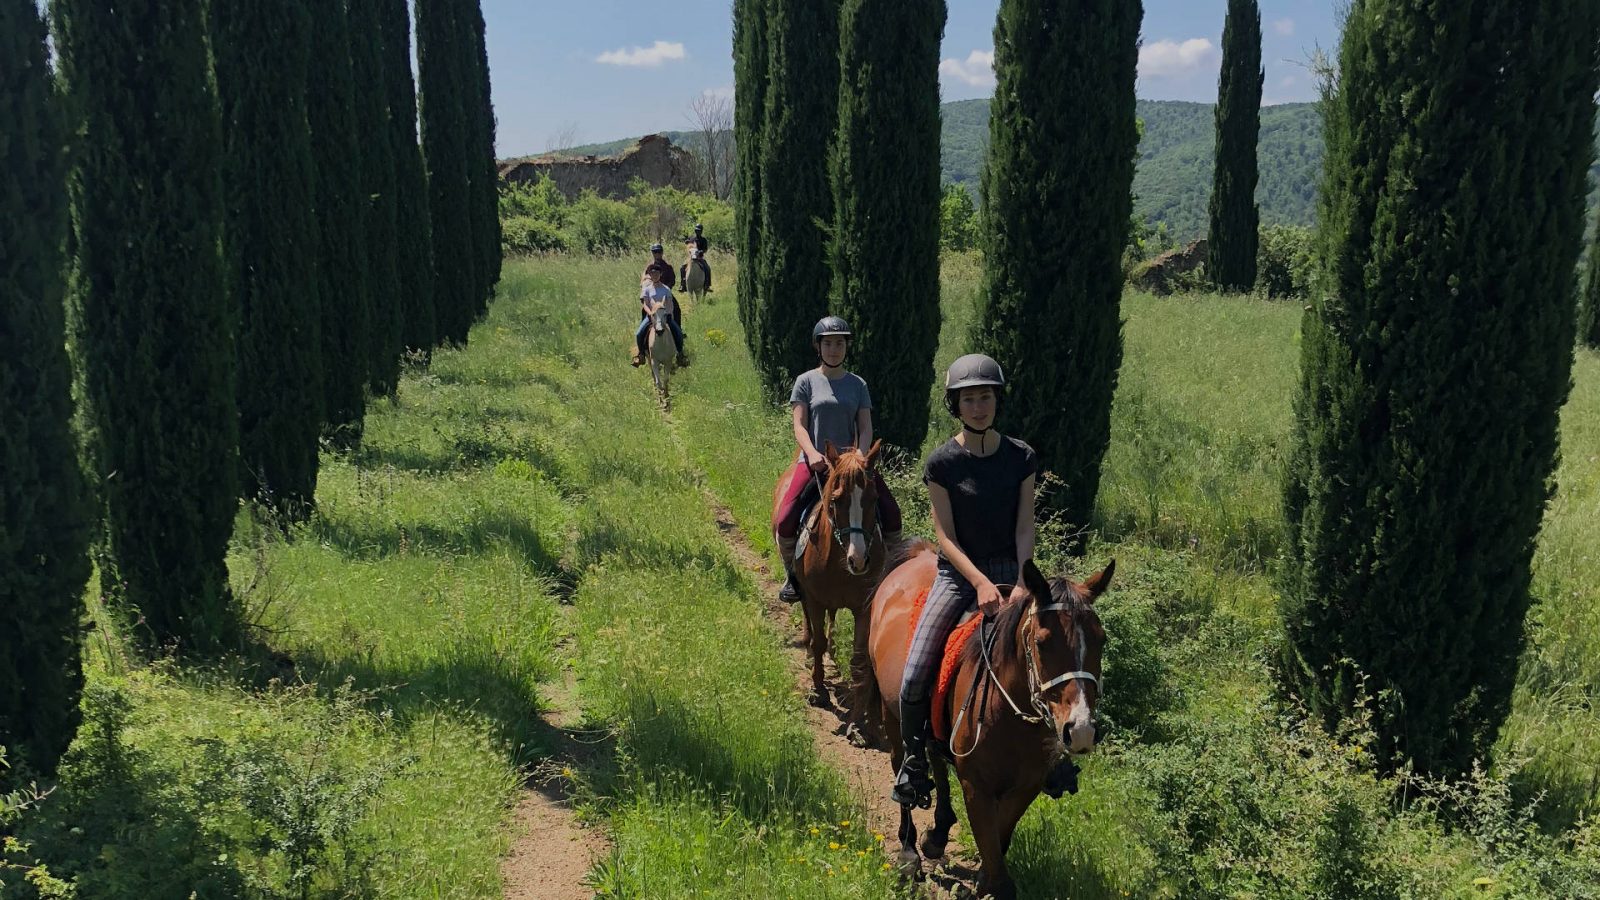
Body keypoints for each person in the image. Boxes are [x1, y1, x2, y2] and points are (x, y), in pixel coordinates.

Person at [891, 353, 1072, 807]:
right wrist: (979, 582)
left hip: (1014, 571)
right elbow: (944, 538)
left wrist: (1025, 580)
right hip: (959, 576)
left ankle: (1056, 757)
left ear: (997, 401)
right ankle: (914, 762)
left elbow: (1025, 526)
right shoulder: (942, 463)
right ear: (955, 404)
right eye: (969, 398)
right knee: (915, 671)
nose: (978, 406)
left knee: (1057, 652)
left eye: (986, 397)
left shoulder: (1021, 457)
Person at [774, 316, 902, 603]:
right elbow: (799, 425)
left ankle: (890, 572)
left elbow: (866, 426)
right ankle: (792, 576)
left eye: (840, 343)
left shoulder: (857, 384)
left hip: (852, 465)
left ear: (847, 347)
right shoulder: (805, 381)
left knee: (891, 514)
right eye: (828, 343)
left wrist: (861, 453)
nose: (834, 349)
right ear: (818, 347)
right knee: (785, 520)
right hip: (816, 462)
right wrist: (811, 452)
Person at [632, 265, 687, 368]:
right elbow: (645, 303)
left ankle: (680, 354)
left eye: (657, 274)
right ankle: (641, 355)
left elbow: (670, 304)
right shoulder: (647, 289)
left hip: (665, 316)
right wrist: (650, 313)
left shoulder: (666, 289)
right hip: (651, 317)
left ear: (660, 274)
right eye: (652, 274)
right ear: (650, 275)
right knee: (639, 333)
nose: (655, 276)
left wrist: (667, 313)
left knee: (678, 332)